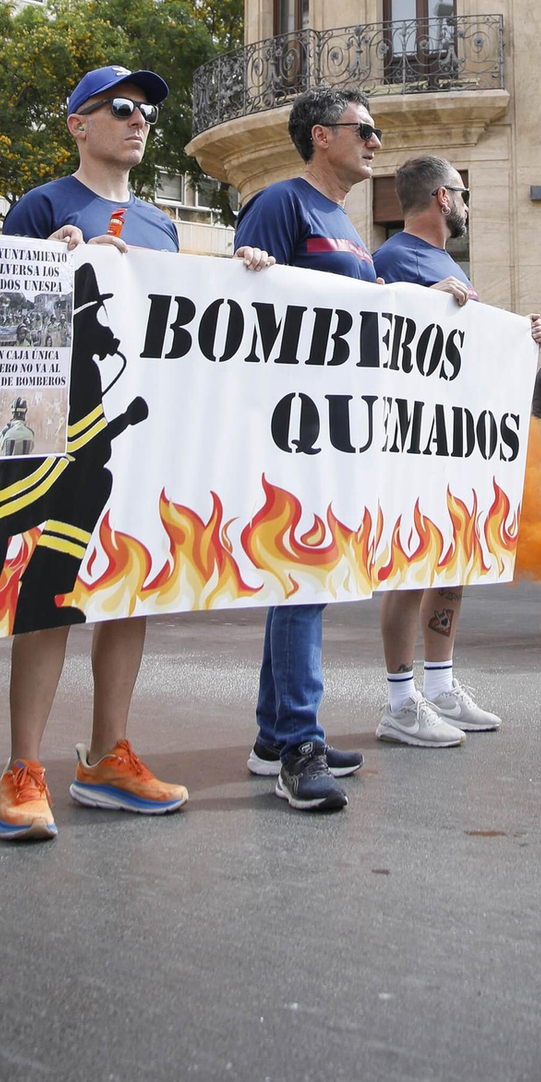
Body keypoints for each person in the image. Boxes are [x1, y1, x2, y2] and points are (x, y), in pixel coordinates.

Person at [0, 63, 271, 841]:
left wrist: (241, 278)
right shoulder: (42, 205)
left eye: (146, 110)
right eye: (120, 107)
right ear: (78, 125)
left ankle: (109, 754)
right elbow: (5, 319)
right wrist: (53, 260)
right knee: (48, 592)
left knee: (129, 587)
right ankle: (22, 767)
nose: (138, 119)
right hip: (56, 428)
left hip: (138, 433)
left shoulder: (160, 224)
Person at [233, 87, 383, 811]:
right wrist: (245, 267)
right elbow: (240, 300)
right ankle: (298, 743)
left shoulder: (344, 221)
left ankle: (273, 737)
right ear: (322, 136)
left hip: (334, 423)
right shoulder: (281, 203)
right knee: (303, 569)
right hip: (289, 425)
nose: (376, 142)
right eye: (366, 129)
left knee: (307, 578)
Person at [370, 154, 541, 747]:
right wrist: (421, 301)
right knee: (408, 566)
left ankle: (441, 685)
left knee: (451, 560)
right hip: (410, 445)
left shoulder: (446, 262)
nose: (467, 204)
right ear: (442, 198)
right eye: (462, 193)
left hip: (452, 445)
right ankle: (400, 700)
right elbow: (377, 337)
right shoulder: (391, 259)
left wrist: (520, 342)